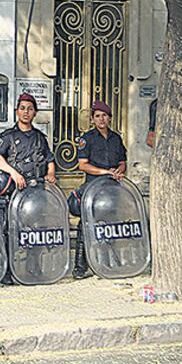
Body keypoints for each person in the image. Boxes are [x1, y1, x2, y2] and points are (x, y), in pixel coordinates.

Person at [0, 93, 56, 284]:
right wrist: (13, 173)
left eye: (30, 108)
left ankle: (32, 269)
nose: (26, 112)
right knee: (10, 230)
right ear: (17, 111)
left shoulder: (40, 138)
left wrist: (51, 174)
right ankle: (8, 271)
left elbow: (49, 159)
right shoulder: (8, 137)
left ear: (35, 113)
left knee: (35, 230)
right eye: (23, 108)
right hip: (15, 191)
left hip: (36, 192)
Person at [71, 100, 128, 279]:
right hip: (94, 187)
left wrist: (119, 171)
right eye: (97, 116)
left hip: (112, 188)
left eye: (104, 115)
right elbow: (82, 165)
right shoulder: (87, 139)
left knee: (111, 224)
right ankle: (80, 266)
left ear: (109, 118)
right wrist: (105, 172)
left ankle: (107, 262)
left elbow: (122, 161)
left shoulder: (116, 138)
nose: (101, 119)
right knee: (86, 224)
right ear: (93, 120)